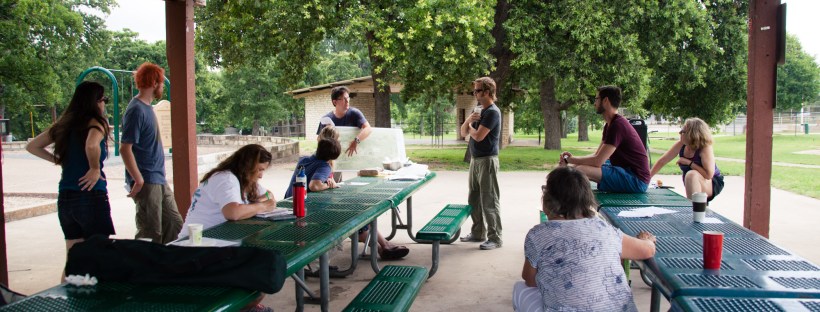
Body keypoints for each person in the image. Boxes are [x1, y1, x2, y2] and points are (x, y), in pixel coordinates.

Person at [512, 167, 657, 312]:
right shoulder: (603, 228)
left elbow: (530, 280)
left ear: (547, 200)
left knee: (520, 289)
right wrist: (647, 239)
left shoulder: (537, 235)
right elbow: (648, 250)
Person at [26, 81, 116, 279]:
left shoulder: (64, 125)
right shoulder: (96, 123)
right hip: (91, 195)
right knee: (97, 254)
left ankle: (65, 297)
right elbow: (92, 145)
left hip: (66, 197)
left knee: (73, 256)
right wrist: (94, 168)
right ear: (96, 101)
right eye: (104, 100)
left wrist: (59, 160)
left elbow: (32, 146)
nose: (104, 105)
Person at [284, 138, 409, 260]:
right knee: (354, 214)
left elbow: (310, 178)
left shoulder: (304, 160)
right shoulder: (324, 166)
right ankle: (383, 247)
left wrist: (326, 180)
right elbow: (314, 185)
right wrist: (328, 185)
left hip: (290, 203)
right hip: (307, 210)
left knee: (356, 213)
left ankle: (384, 245)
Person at [120, 62, 182, 244]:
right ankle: (145, 270)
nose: (162, 86)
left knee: (174, 224)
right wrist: (138, 179)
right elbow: (125, 148)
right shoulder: (136, 110)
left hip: (158, 177)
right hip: (146, 179)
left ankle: (168, 266)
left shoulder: (147, 108)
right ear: (155, 83)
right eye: (161, 82)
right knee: (150, 232)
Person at [560, 86, 650, 193]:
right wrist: (572, 160)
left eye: (597, 99)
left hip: (636, 180)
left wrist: (569, 160)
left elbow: (598, 161)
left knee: (580, 171)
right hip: (625, 172)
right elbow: (597, 155)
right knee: (576, 167)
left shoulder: (618, 125)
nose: (594, 103)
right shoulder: (610, 125)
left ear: (605, 100)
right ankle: (561, 192)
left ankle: (565, 198)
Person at [178, 144, 276, 237]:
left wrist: (259, 201)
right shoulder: (225, 179)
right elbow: (232, 213)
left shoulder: (243, 179)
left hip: (214, 238)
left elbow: (269, 194)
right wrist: (263, 205)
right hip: (197, 242)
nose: (261, 175)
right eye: (259, 169)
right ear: (247, 166)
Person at [459, 76, 503, 250]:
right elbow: (464, 133)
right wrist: (469, 121)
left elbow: (478, 136)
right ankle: (478, 233)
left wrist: (470, 126)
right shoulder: (479, 110)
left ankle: (495, 238)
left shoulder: (492, 112)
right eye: (474, 90)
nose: (474, 93)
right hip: (475, 160)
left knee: (489, 200)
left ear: (487, 92)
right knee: (474, 199)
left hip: (487, 161)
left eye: (477, 90)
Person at [650, 118, 724, 200]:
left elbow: (708, 175)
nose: (679, 133)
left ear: (692, 134)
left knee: (691, 175)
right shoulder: (681, 144)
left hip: (713, 182)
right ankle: (697, 207)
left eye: (683, 131)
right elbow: (662, 161)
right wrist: (646, 179)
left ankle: (695, 209)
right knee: (690, 176)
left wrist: (689, 163)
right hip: (693, 181)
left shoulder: (705, 148)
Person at [316, 86, 373, 157]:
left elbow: (368, 128)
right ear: (335, 102)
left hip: (352, 154)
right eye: (344, 99)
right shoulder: (326, 119)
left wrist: (356, 141)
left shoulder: (354, 113)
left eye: (348, 98)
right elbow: (319, 140)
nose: (347, 101)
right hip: (333, 157)